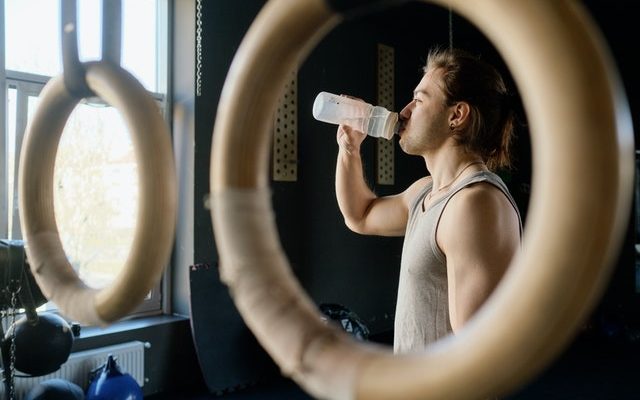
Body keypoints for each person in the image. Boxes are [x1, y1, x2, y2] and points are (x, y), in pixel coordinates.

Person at [334, 47, 522, 353]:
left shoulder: (474, 202)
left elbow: (478, 346)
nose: (405, 111)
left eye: (419, 100)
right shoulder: (426, 191)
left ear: (457, 115)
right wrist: (349, 148)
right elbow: (360, 215)